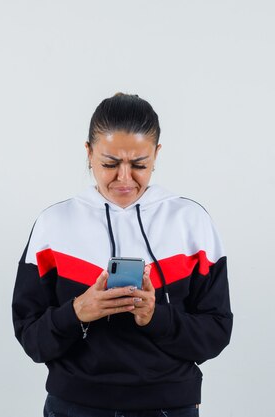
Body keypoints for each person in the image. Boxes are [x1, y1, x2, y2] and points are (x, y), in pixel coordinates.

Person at [12, 93, 233, 417]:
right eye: (110, 164)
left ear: (156, 154)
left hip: (169, 406)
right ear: (88, 153)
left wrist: (155, 317)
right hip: (75, 406)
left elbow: (217, 331)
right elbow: (31, 338)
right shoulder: (53, 224)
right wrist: (77, 312)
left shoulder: (191, 221)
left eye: (139, 164)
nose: (124, 178)